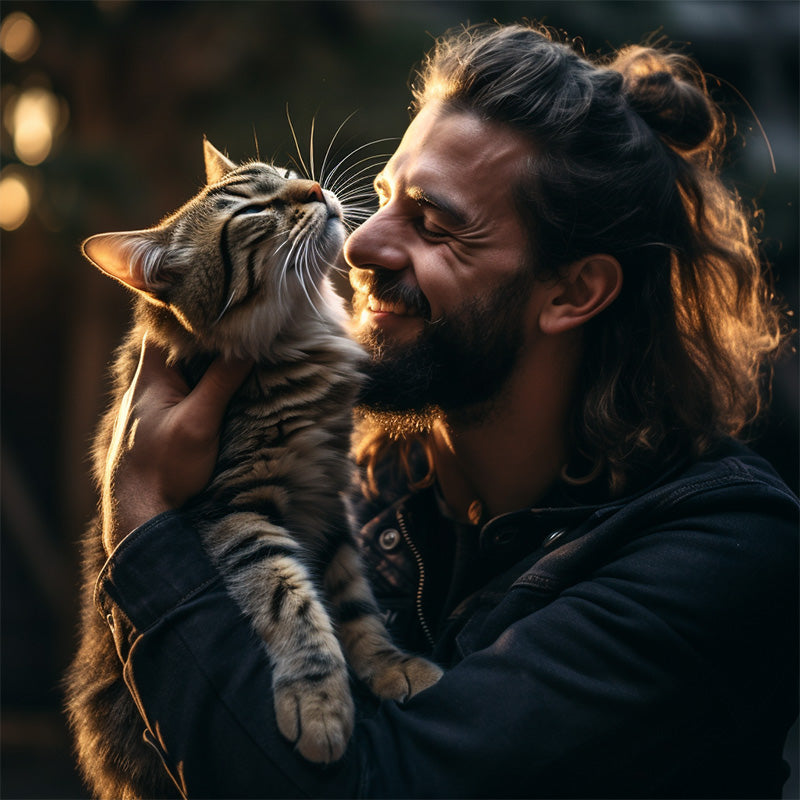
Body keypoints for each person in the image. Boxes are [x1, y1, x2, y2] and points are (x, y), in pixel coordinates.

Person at [90, 22, 798, 798]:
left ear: (574, 292)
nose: (359, 242)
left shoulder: (723, 552)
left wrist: (140, 509)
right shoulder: (351, 490)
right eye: (387, 196)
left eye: (435, 226)